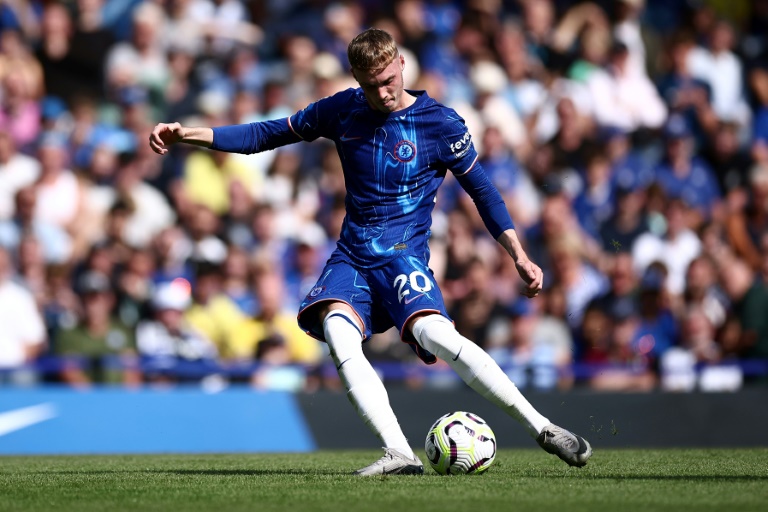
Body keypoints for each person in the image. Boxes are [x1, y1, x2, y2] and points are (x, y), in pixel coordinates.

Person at [149, 28, 591, 475]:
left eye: (386, 80)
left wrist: (518, 253)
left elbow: (484, 192)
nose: (381, 93)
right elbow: (266, 133)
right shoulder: (344, 109)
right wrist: (188, 134)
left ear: (401, 64)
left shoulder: (441, 123)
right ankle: (399, 452)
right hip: (353, 257)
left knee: (436, 336)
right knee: (338, 334)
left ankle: (544, 428)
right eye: (369, 85)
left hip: (404, 257)